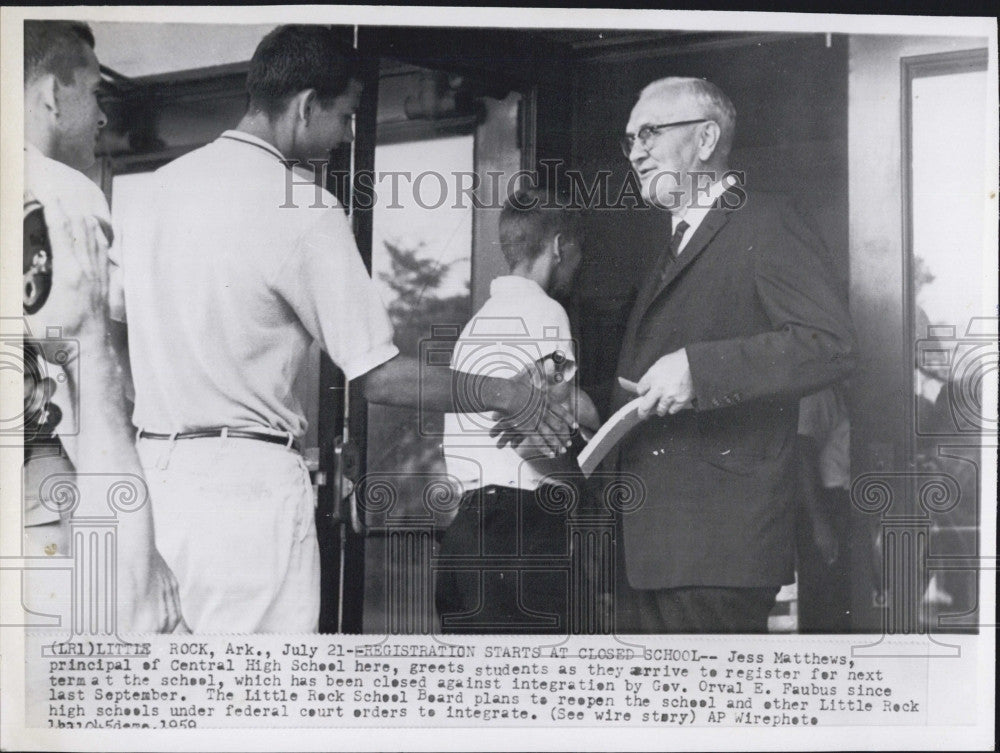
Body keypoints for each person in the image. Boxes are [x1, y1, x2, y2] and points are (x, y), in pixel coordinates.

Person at [116, 26, 574, 633]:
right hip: (246, 499)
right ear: (305, 106)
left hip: (152, 484)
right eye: (346, 115)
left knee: (165, 697)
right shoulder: (303, 206)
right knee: (260, 702)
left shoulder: (153, 194)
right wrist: (506, 392)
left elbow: (112, 332)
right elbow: (378, 378)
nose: (349, 134)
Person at [611, 76, 857, 633]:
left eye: (650, 132)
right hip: (656, 545)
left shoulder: (766, 221)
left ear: (704, 139)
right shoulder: (671, 245)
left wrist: (701, 370)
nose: (637, 152)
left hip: (718, 546)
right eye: (628, 140)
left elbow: (830, 343)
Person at [22, 20, 184, 632]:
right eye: (94, 94)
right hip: (45, 501)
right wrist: (139, 553)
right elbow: (97, 379)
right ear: (50, 96)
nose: (102, 118)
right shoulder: (64, 192)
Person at [436, 189, 600, 633]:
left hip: (464, 534)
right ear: (559, 245)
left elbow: (550, 399)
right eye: (578, 251)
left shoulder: (474, 328)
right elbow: (538, 441)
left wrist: (582, 408)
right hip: (524, 527)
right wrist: (589, 489)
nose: (579, 264)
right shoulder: (547, 314)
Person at [795, 386, 852, 633]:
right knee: (825, 607)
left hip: (845, 503)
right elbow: (802, 455)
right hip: (826, 504)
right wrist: (820, 522)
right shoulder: (817, 393)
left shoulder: (841, 393)